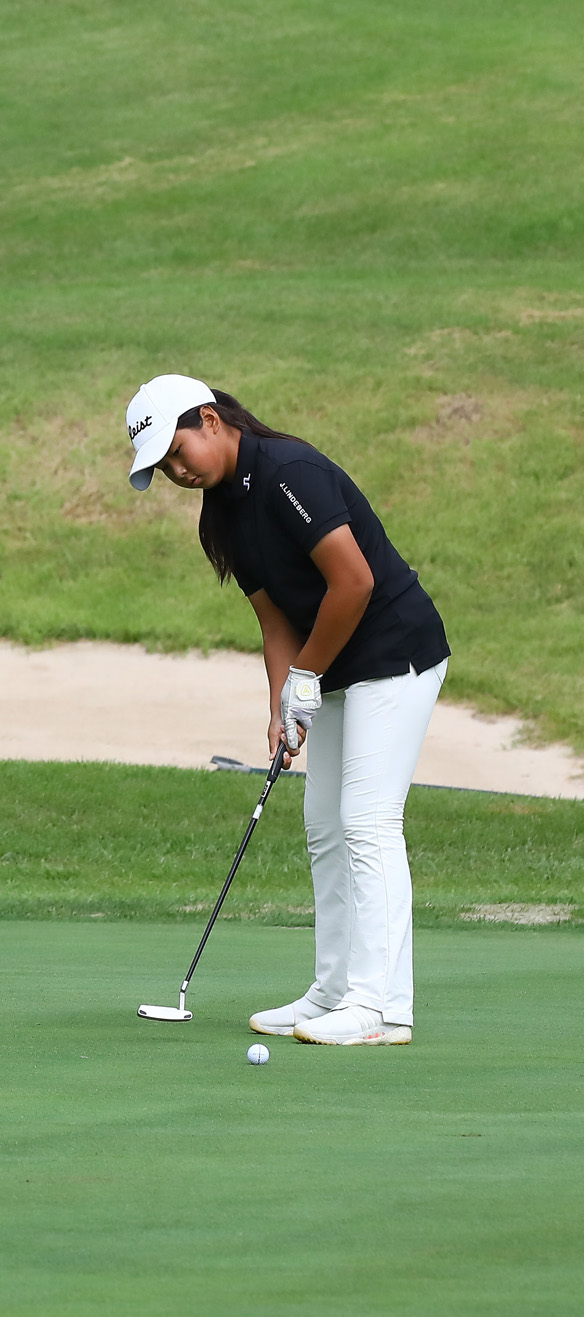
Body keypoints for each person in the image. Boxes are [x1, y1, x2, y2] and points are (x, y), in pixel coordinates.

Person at [125, 374, 450, 1047]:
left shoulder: (287, 473)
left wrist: (306, 675)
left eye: (178, 452)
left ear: (210, 419)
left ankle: (380, 1007)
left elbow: (353, 581)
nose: (177, 471)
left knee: (367, 820)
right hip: (334, 667)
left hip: (396, 652)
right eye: (164, 468)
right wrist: (285, 702)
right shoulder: (223, 513)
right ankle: (333, 991)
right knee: (325, 825)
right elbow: (274, 618)